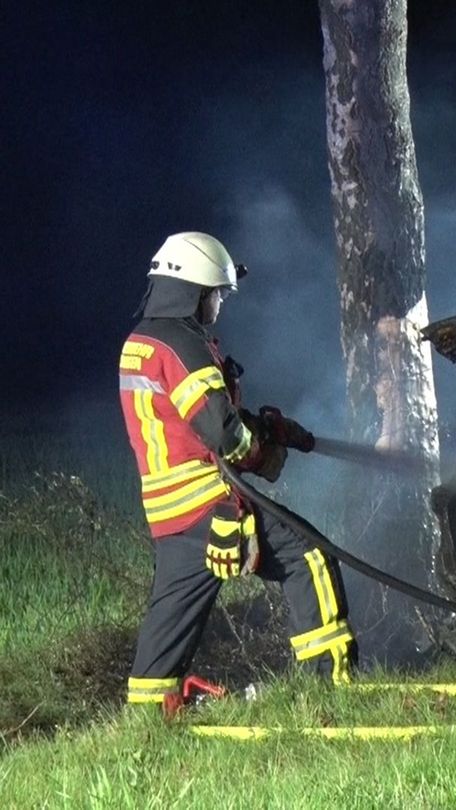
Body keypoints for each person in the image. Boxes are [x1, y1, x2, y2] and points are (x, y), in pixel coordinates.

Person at [119, 232, 354, 711]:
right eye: (218, 293)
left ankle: (149, 710)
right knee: (309, 554)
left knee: (171, 615)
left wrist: (268, 428)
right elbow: (223, 434)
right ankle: (330, 687)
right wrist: (262, 453)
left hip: (170, 514)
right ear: (195, 292)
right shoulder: (183, 344)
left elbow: (194, 416)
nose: (221, 303)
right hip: (209, 501)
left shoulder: (142, 341)